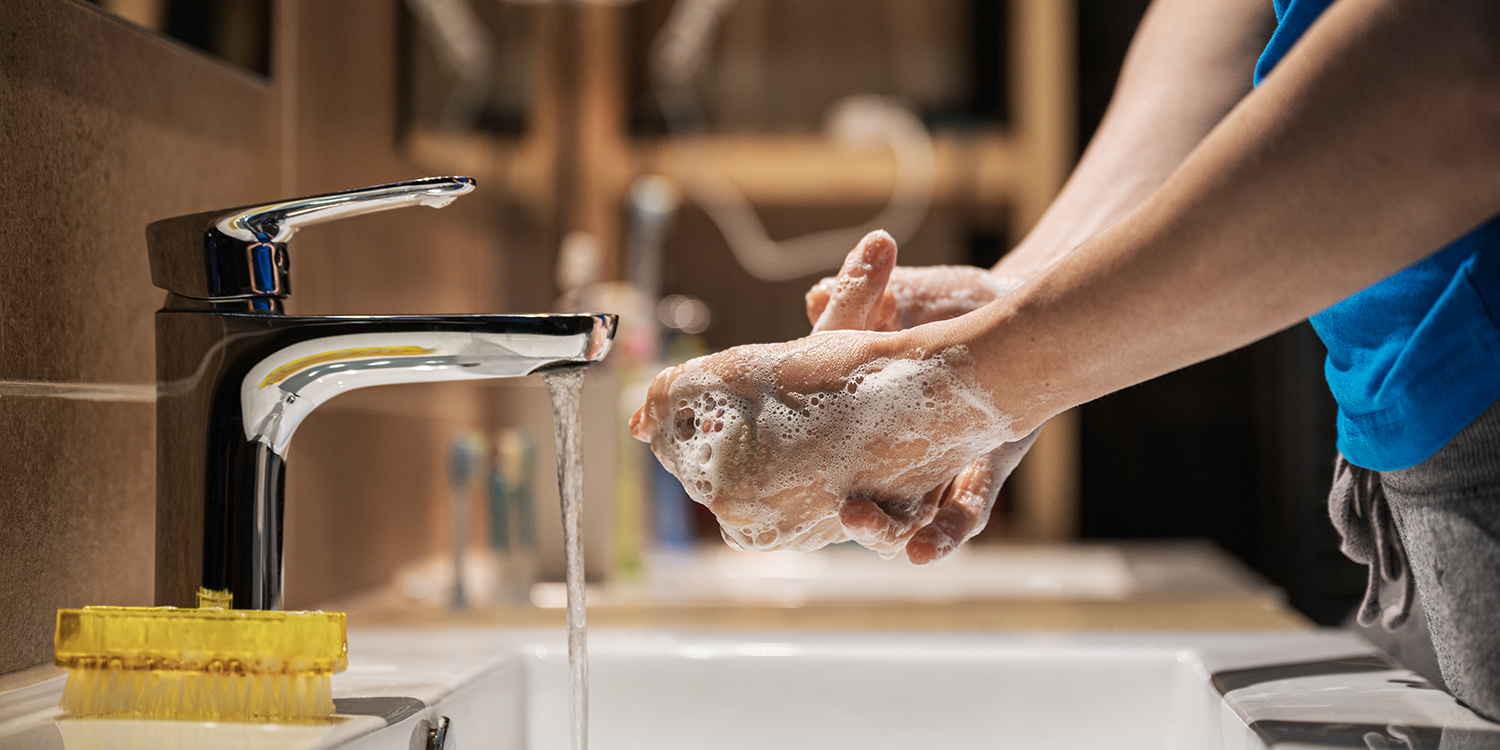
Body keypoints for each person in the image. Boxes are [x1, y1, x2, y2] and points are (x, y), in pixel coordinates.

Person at [631, 0, 1500, 718]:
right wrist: (1007, 309)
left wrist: (968, 374)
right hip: (1415, 460)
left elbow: (1456, 66)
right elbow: (1241, 18)